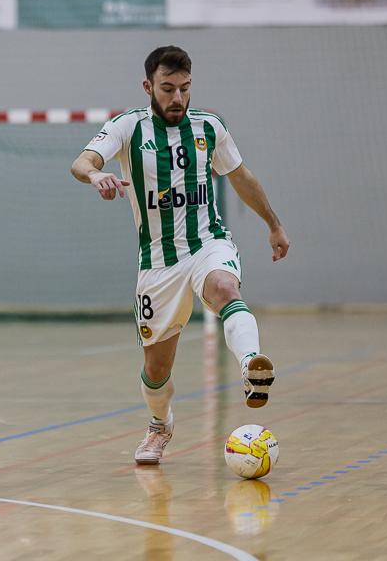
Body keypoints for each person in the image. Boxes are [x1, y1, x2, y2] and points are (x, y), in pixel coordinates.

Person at [70, 46, 290, 465]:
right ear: (148, 86)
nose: (178, 98)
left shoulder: (209, 126)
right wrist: (96, 174)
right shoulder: (127, 127)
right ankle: (159, 425)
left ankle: (251, 366)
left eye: (185, 88)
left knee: (225, 287)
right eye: (168, 88)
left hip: (208, 242)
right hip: (158, 262)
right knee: (156, 369)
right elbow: (81, 162)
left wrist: (273, 224)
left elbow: (240, 176)